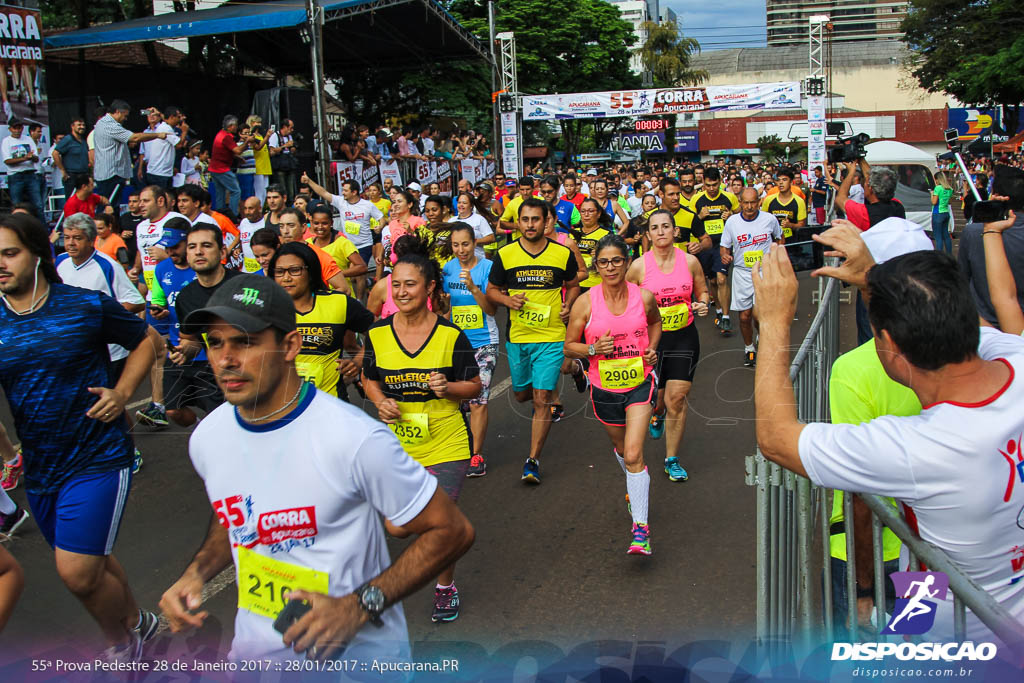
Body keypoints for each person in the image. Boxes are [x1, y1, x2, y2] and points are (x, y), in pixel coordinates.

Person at [161, 273, 475, 662]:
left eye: (245, 342)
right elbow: (234, 513)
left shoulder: (354, 438)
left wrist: (359, 606)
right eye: (215, 343)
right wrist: (197, 572)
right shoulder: (207, 438)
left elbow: (452, 530)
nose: (226, 359)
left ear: (290, 345)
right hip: (256, 657)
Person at [754, 224, 1024, 645]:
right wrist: (873, 283)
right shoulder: (1015, 356)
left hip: (958, 640)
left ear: (890, 346)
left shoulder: (917, 449)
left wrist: (773, 322)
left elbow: (775, 436)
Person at [0, 212, 164, 660]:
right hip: (41, 465)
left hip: (98, 455)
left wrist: (123, 391)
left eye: (9, 253)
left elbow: (148, 341)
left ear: (37, 254)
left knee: (76, 571)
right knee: (94, 560)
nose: (1, 264)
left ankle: (122, 645)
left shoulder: (83, 304)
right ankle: (140, 624)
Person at [362, 250, 480, 623]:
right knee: (397, 526)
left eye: (410, 284)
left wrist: (449, 388)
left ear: (429, 287)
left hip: (447, 441)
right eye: (395, 284)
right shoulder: (378, 334)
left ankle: (445, 588)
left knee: (438, 522)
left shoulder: (450, 335)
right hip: (398, 446)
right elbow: (369, 379)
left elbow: (475, 385)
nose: (401, 291)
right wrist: (380, 401)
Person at [564, 234, 661, 555]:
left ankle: (641, 530)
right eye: (603, 262)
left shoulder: (643, 297)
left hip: (639, 383)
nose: (610, 268)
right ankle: (636, 483)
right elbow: (569, 346)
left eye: (617, 260)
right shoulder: (586, 302)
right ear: (596, 266)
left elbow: (655, 323)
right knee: (622, 451)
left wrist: (651, 349)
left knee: (634, 453)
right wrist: (592, 348)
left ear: (627, 261)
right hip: (604, 387)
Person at [487, 198, 580, 484]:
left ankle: (532, 461)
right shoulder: (506, 255)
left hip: (552, 335)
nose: (529, 225)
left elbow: (573, 284)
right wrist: (506, 299)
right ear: (519, 222)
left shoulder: (561, 254)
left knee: (542, 399)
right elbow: (491, 290)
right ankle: (577, 369)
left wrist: (569, 304)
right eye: (525, 220)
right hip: (518, 337)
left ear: (546, 221)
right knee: (521, 395)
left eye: (535, 219)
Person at [627, 209, 709, 480]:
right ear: (648, 234)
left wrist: (703, 304)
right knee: (658, 401)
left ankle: (671, 459)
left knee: (677, 399)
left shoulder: (690, 262)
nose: (661, 231)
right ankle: (657, 414)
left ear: (675, 231)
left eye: (666, 226)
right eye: (655, 227)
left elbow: (703, 290)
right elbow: (624, 300)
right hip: (652, 341)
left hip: (684, 337)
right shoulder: (639, 266)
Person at [271, 241, 373, 401]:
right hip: (283, 408)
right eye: (279, 272)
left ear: (311, 271)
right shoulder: (266, 310)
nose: (286, 278)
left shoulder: (339, 303)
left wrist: (358, 362)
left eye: (294, 270)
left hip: (331, 405)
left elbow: (381, 332)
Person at [162, 223, 238, 427]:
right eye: (192, 247)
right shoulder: (186, 297)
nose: (199, 251)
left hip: (243, 370)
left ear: (222, 251)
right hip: (212, 367)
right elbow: (190, 340)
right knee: (172, 409)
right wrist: (183, 350)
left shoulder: (245, 286)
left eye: (206, 245)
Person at [442, 223, 499, 477]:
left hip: (485, 341)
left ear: (474, 242)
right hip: (457, 343)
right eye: (455, 245)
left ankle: (476, 455)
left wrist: (475, 288)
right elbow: (444, 307)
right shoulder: (448, 268)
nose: (461, 250)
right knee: (457, 399)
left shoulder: (487, 268)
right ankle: (459, 443)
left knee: (478, 400)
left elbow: (491, 310)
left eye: (465, 244)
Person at [721, 188, 784, 366]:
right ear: (740, 203)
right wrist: (725, 256)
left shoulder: (769, 219)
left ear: (759, 202)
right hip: (742, 272)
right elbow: (724, 246)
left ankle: (762, 341)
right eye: (745, 203)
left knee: (759, 314)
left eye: (753, 203)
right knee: (744, 317)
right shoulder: (732, 222)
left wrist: (777, 256)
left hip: (764, 271)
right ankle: (749, 348)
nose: (749, 207)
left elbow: (780, 238)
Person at [959, 163, 1024, 328]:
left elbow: (962, 279)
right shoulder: (975, 232)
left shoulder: (973, 232)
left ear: (995, 194)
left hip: (984, 324)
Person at [303, 173, 382, 284]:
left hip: (364, 244)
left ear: (354, 192)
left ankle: (359, 299)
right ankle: (367, 282)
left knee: (359, 273)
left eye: (345, 190)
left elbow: (381, 218)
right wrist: (309, 181)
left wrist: (380, 226)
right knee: (352, 276)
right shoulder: (341, 202)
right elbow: (323, 193)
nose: (343, 193)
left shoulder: (367, 205)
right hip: (349, 244)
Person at [691, 167, 739, 336]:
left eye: (715, 185)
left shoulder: (729, 197)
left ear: (721, 182)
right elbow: (692, 223)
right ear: (703, 183)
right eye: (708, 185)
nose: (711, 188)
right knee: (712, 282)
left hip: (723, 245)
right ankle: (718, 310)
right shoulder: (696, 199)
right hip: (705, 246)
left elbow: (739, 217)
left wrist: (731, 215)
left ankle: (726, 316)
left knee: (721, 278)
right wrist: (699, 217)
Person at [93, 100, 167, 203]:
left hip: (109, 173)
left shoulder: (105, 123)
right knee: (109, 206)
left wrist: (158, 114)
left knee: (111, 206)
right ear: (118, 112)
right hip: (111, 175)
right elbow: (134, 137)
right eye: (125, 116)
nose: (125, 119)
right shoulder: (109, 125)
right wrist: (158, 135)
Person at [277, 208, 349, 293]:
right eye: (281, 226)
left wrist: (314, 299)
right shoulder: (277, 255)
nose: (285, 231)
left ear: (303, 227)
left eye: (291, 225)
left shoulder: (318, 255)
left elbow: (344, 289)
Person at [379, 190, 428, 280]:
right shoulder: (392, 224)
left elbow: (424, 243)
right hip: (395, 267)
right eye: (394, 202)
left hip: (413, 266)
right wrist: (386, 257)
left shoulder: (418, 221)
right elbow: (392, 244)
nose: (396, 204)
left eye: (400, 201)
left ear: (409, 205)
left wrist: (411, 232)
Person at [208, 115, 248, 215]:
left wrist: (236, 158)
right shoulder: (226, 137)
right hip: (221, 169)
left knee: (220, 194)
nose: (237, 127)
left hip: (214, 168)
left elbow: (223, 151)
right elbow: (238, 150)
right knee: (235, 191)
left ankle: (220, 215)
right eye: (235, 125)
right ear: (230, 126)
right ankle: (232, 215)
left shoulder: (220, 134)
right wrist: (247, 141)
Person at [2, 117, 40, 214]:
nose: (18, 130)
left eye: (20, 127)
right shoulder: (7, 141)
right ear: (10, 129)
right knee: (16, 205)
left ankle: (41, 228)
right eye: (15, 128)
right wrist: (25, 158)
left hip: (31, 174)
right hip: (15, 176)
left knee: (38, 205)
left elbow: (36, 159)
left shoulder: (28, 139)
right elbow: (7, 161)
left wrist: (32, 157)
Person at [137, 107, 179, 189]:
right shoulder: (145, 132)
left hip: (161, 168)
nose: (151, 116)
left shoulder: (163, 128)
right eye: (149, 114)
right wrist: (140, 169)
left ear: (160, 117)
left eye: (154, 115)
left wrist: (159, 113)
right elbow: (142, 152)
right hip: (148, 168)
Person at [52, 117, 90, 204]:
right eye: (79, 125)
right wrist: (63, 171)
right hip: (72, 175)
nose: (82, 127)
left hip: (83, 175)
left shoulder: (83, 141)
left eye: (83, 125)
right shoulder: (68, 139)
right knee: (72, 202)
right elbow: (55, 153)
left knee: (84, 201)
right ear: (72, 126)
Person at [761, 168, 806, 240]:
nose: (781, 183)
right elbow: (762, 221)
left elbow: (802, 224)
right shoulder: (769, 200)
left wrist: (790, 225)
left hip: (792, 242)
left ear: (791, 182)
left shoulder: (799, 201)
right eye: (779, 180)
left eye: (784, 180)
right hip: (772, 242)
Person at [451, 192, 496, 259]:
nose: (461, 205)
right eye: (459, 202)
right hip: (457, 260)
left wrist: (473, 241)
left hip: (477, 259)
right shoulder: (451, 221)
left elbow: (491, 238)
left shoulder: (479, 219)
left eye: (464, 203)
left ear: (471, 206)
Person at [267, 119, 298, 200]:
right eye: (291, 128)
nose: (292, 130)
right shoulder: (275, 136)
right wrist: (284, 146)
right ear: (285, 127)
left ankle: (290, 203)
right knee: (282, 189)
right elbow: (272, 151)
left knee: (291, 190)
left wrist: (292, 148)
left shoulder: (289, 136)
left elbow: (290, 150)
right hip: (279, 166)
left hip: (289, 165)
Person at [237, 196, 265, 273]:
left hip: (262, 269)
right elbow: (241, 237)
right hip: (246, 269)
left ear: (259, 208)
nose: (247, 212)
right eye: (245, 208)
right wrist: (238, 248)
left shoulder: (265, 222)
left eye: (250, 208)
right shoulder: (244, 222)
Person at [931, 170, 954, 255]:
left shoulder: (937, 188)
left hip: (937, 213)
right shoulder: (950, 189)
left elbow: (934, 202)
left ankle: (939, 256)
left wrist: (931, 194)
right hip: (946, 212)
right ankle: (949, 254)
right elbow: (949, 202)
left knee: (938, 237)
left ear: (938, 179)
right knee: (946, 235)